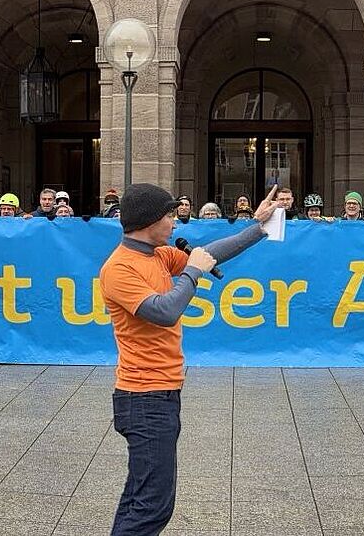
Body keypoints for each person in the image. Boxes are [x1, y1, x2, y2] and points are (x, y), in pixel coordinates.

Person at [100, 183, 279, 536]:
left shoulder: (158, 254)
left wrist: (258, 227)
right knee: (153, 507)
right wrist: (192, 272)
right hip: (144, 397)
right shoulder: (119, 268)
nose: (174, 222)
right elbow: (165, 311)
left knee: (140, 498)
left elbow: (210, 253)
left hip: (159, 393)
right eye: (169, 214)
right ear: (150, 220)